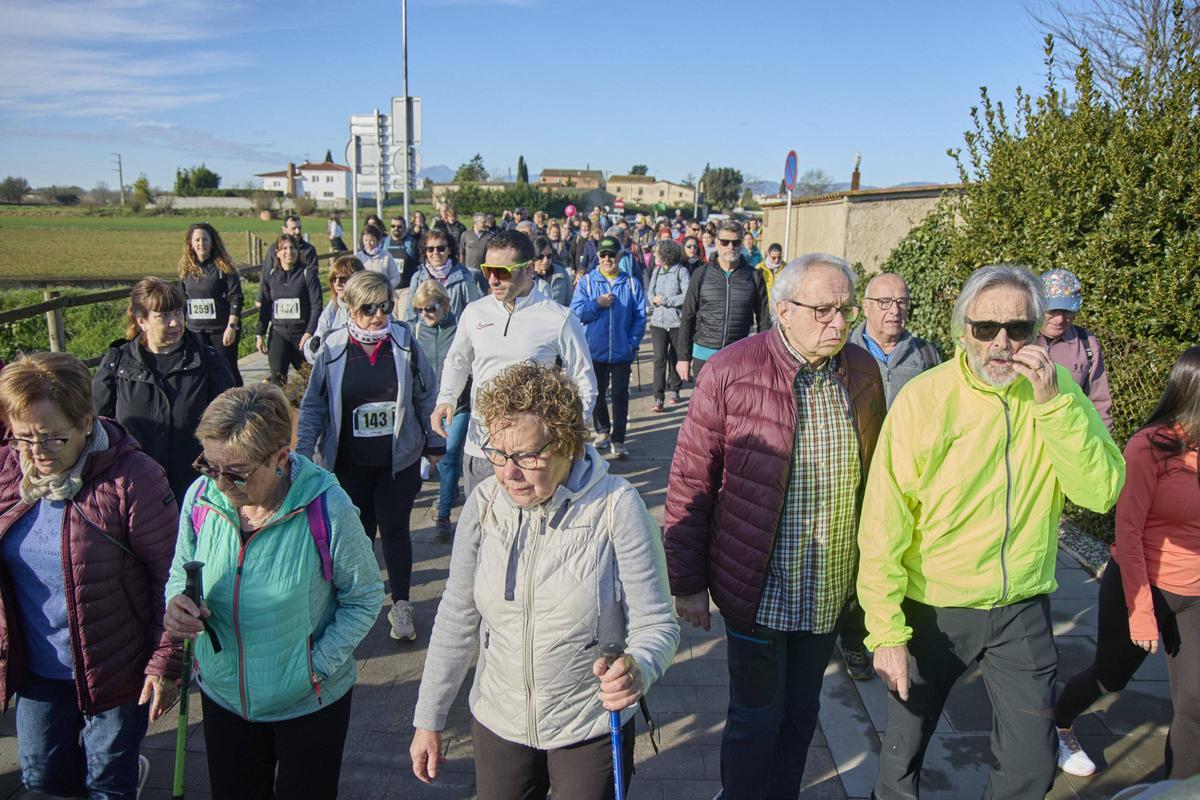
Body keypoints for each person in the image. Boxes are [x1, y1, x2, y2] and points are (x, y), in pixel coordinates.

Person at [856, 264, 1125, 800]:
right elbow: (884, 519)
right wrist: (885, 631)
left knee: (1031, 761)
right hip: (933, 605)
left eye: (1019, 329)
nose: (1002, 343)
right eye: (986, 328)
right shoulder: (925, 398)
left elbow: (1100, 491)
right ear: (963, 331)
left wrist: (1053, 408)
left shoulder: (1058, 392)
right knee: (902, 755)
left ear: (1038, 329)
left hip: (1021, 606)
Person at [664, 254, 885, 800]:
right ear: (783, 310)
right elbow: (690, 480)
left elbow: (879, 474)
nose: (838, 322)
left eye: (845, 309)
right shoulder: (729, 371)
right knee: (756, 717)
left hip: (830, 585)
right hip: (757, 585)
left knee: (801, 713)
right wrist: (687, 583)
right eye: (823, 310)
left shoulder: (860, 370)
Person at [410, 363, 680, 799]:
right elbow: (457, 617)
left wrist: (639, 670)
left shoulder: (617, 507)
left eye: (527, 457)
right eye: (498, 453)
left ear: (568, 445)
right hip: (498, 719)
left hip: (588, 723)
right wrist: (429, 717)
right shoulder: (483, 505)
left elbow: (659, 625)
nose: (509, 473)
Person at [164, 384, 384, 798]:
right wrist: (176, 605)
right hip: (224, 695)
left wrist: (313, 667)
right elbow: (181, 569)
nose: (221, 484)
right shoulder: (199, 496)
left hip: (309, 702)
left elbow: (365, 597)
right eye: (210, 466)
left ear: (281, 458)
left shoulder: (328, 507)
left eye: (238, 473)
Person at [0, 352, 180, 798]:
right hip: (38, 671)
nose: (36, 454)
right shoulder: (7, 471)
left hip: (117, 668)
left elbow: (171, 578)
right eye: (23, 438)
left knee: (106, 784)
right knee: (41, 779)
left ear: (86, 422)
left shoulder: (134, 478)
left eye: (53, 439)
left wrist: (166, 664)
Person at [1054, 345, 1200, 781]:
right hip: (1141, 586)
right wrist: (1140, 613)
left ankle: (1181, 789)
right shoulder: (1148, 447)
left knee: (1195, 703)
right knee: (1110, 677)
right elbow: (1128, 532)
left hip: (1193, 593)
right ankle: (1058, 723)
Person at [296, 271, 444, 641]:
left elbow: (426, 393)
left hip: (398, 460)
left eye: (385, 306)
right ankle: (354, 606)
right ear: (350, 308)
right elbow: (313, 404)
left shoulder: (404, 340)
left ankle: (402, 605)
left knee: (395, 532)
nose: (378, 315)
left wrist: (434, 442)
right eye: (368, 309)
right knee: (356, 536)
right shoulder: (331, 348)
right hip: (348, 462)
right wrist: (301, 453)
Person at [431, 229, 597, 501]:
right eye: (487, 270)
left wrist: (570, 435)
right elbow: (457, 362)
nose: (493, 280)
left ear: (529, 269)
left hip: (532, 456)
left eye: (503, 271)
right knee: (483, 532)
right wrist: (446, 398)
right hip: (482, 446)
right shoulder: (474, 312)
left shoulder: (559, 318)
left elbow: (584, 381)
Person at [837, 272, 941, 679]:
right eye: (884, 302)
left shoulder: (927, 356)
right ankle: (853, 636)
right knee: (854, 554)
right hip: (855, 471)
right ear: (865, 306)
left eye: (901, 301)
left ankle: (897, 632)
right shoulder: (843, 351)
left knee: (898, 551)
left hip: (907, 476)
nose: (893, 310)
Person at [93, 277, 236, 503]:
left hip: (195, 489)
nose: (174, 323)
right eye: (163, 316)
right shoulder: (117, 363)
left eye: (178, 312)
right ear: (142, 321)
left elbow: (231, 422)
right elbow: (98, 426)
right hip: (133, 489)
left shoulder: (208, 360)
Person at [571, 236, 646, 459]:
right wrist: (597, 304)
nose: (606, 259)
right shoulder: (587, 282)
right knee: (597, 394)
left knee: (621, 394)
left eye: (611, 255)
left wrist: (632, 342)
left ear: (619, 257)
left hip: (622, 351)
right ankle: (602, 431)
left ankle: (619, 439)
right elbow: (575, 313)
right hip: (595, 350)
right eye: (602, 255)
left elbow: (640, 316)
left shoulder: (632, 283)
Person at [677, 220, 771, 381]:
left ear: (741, 244)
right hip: (704, 355)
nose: (730, 247)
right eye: (725, 242)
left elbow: (764, 320)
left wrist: (764, 356)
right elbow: (688, 316)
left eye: (735, 242)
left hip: (739, 355)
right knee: (706, 405)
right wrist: (683, 357)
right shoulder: (701, 274)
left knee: (736, 406)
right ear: (716, 243)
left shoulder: (754, 276)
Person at [412, 281, 470, 541]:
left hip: (459, 405)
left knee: (447, 456)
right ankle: (451, 491)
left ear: (445, 305)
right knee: (449, 461)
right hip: (428, 406)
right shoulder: (415, 331)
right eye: (420, 310)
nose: (425, 314)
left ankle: (443, 516)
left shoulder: (460, 329)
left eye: (430, 308)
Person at [1037, 268, 1113, 429]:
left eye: (1067, 311)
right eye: (1052, 311)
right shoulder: (1018, 339)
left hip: (1072, 435)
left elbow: (1099, 401)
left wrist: (1106, 443)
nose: (1060, 319)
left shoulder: (1088, 344)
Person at [179, 222, 244, 383]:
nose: (202, 244)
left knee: (227, 370)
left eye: (205, 239)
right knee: (201, 373)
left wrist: (232, 326)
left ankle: (239, 403)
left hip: (221, 330)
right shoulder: (185, 270)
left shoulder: (224, 268)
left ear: (212, 241)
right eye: (198, 240)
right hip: (196, 331)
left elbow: (236, 297)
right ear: (191, 243)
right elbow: (182, 301)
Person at [256, 234, 323, 386]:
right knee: (277, 380)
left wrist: (309, 332)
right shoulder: (271, 276)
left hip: (302, 335)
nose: (289, 252)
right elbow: (266, 307)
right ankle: (280, 409)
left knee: (311, 380)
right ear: (277, 253)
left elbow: (316, 305)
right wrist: (260, 333)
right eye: (284, 248)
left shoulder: (307, 274)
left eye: (292, 248)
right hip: (279, 334)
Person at [402, 229, 485, 324]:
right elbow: (410, 313)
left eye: (440, 248)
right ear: (425, 252)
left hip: (454, 334)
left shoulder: (464, 277)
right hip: (424, 335)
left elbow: (473, 312)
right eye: (430, 249)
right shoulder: (417, 278)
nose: (435, 252)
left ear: (449, 250)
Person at [646, 239, 690, 412]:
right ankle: (658, 397)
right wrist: (654, 301)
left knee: (675, 357)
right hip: (657, 322)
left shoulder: (682, 271)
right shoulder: (657, 272)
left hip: (676, 322)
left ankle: (675, 389)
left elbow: (687, 296)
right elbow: (650, 292)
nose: (655, 254)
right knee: (659, 359)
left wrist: (666, 300)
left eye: (658, 252)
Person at [307, 254, 365, 362]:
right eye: (334, 279)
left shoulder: (372, 309)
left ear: (358, 279)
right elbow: (314, 352)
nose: (337, 283)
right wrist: (312, 346)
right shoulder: (331, 308)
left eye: (343, 279)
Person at [355, 222, 403, 290]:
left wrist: (386, 288)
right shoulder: (358, 257)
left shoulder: (386, 256)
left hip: (382, 294)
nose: (368, 243)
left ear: (378, 241)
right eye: (366, 240)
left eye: (372, 240)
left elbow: (396, 277)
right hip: (363, 294)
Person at [530, 236, 573, 307]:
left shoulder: (562, 273)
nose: (546, 260)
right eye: (541, 257)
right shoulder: (527, 276)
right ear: (534, 256)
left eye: (549, 256)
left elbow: (570, 302)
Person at [384, 214, 419, 287]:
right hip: (389, 288)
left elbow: (420, 264)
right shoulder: (385, 243)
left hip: (407, 288)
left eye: (399, 227)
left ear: (405, 228)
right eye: (393, 226)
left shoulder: (412, 243)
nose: (396, 228)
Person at [757, 242, 784, 314]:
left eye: (779, 257)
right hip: (763, 306)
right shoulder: (759, 268)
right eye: (774, 258)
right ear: (768, 254)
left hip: (780, 307)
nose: (777, 261)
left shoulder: (786, 268)